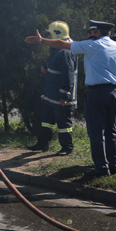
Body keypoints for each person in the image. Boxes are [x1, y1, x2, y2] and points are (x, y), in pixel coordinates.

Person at [26, 20, 116, 177]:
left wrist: (41, 40)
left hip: (97, 92)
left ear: (96, 33)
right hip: (115, 91)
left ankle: (101, 169)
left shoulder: (92, 45)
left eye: (91, 32)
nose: (89, 35)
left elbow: (64, 44)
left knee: (96, 132)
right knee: (111, 130)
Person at [27, 21, 78, 155]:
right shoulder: (57, 50)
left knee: (63, 124)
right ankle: (42, 143)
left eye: (48, 35)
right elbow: (58, 68)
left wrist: (64, 95)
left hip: (60, 97)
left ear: (57, 34)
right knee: (46, 121)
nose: (47, 38)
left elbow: (68, 75)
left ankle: (67, 147)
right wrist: (47, 69)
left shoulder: (65, 51)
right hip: (52, 94)